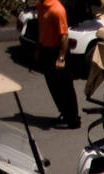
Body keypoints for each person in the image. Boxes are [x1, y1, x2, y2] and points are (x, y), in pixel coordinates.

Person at [35, 0, 80, 129]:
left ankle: (73, 119)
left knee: (65, 86)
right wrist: (38, 48)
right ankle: (64, 113)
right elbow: (42, 29)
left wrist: (61, 57)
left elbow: (64, 37)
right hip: (46, 51)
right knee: (53, 85)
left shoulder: (57, 10)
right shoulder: (40, 6)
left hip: (58, 50)